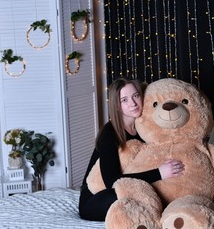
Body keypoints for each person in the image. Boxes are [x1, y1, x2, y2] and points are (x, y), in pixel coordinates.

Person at [78, 77, 185, 221]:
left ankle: (185, 219)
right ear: (116, 105)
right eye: (124, 100)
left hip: (128, 189)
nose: (133, 103)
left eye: (135, 96)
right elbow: (111, 181)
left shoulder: (144, 129)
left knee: (160, 194)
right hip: (96, 198)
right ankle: (164, 223)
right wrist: (159, 173)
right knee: (134, 197)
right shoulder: (109, 134)